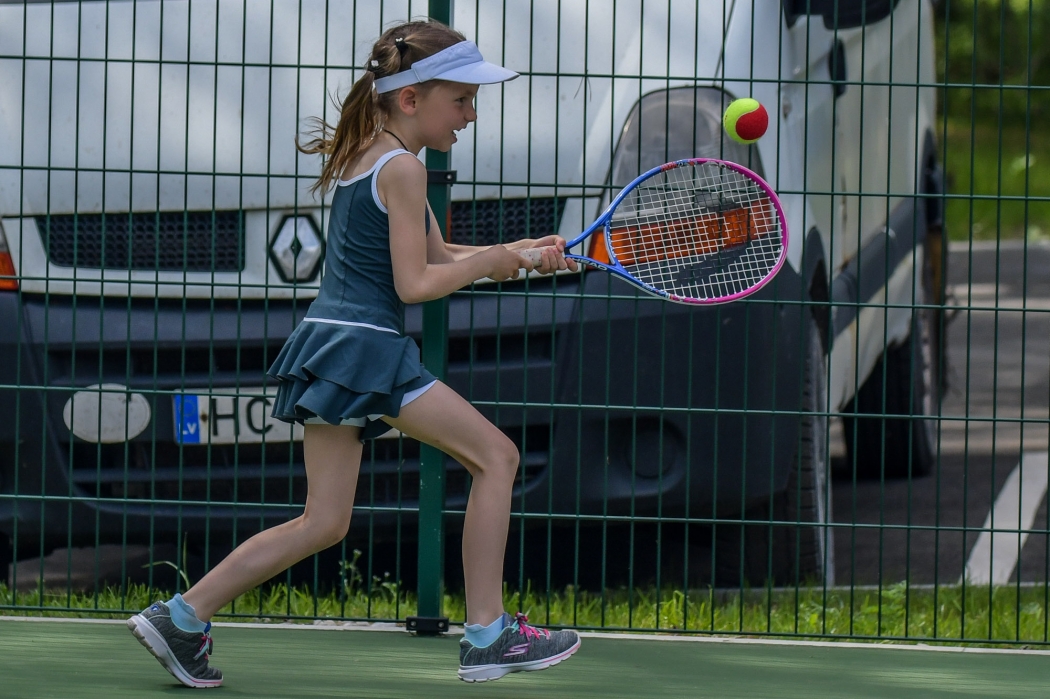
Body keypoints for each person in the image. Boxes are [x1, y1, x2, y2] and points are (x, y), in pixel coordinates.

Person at [127, 19, 581, 688]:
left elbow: (435, 254)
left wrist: (521, 253)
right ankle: (488, 634)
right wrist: (491, 261)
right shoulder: (403, 169)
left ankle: (181, 617)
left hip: (330, 344)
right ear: (411, 99)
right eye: (461, 100)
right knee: (498, 457)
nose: (471, 115)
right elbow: (416, 283)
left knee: (324, 521)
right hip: (365, 349)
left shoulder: (373, 155)